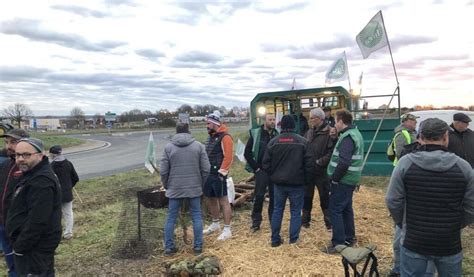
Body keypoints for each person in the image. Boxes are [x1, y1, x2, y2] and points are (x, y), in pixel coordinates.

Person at [386, 118, 474, 276]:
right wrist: (456, 224)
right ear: (446, 137)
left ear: (420, 137)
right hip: (449, 241)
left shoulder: (405, 164)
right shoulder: (463, 167)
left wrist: (404, 223)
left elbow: (393, 201)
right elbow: (471, 205)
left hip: (414, 239)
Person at [5, 138, 62, 276]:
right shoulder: (31, 174)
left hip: (34, 248)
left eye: (26, 155)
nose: (20, 159)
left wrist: (20, 246)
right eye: (18, 155)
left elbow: (38, 220)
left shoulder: (42, 181)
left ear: (40, 155)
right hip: (29, 247)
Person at [160, 123, 210, 256]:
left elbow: (163, 171)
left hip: (175, 187)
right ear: (189, 131)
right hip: (194, 187)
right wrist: (201, 184)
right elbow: (206, 169)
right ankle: (198, 247)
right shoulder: (199, 146)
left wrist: (166, 185)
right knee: (196, 216)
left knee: (171, 218)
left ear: (176, 132)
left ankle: (169, 248)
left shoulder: (168, 147)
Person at [262, 115, 312, 247]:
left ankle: (275, 240)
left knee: (277, 210)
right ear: (294, 126)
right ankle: (293, 241)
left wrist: (274, 175)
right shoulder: (302, 142)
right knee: (296, 211)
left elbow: (265, 164)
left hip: (279, 184)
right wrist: (305, 180)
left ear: (281, 125)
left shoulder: (273, 142)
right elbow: (309, 164)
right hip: (297, 184)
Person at [323, 109, 364, 254]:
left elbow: (344, 161)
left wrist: (334, 179)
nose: (334, 124)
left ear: (341, 121)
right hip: (350, 179)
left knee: (335, 209)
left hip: (343, 180)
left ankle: (338, 243)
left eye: (335, 121)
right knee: (346, 209)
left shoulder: (347, 137)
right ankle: (349, 238)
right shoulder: (355, 133)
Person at [388, 113, 418, 276]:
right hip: (403, 173)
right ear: (405, 122)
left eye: (415, 121)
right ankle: (399, 268)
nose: (414, 123)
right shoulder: (402, 134)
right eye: (412, 121)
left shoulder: (412, 134)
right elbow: (401, 155)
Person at [0, 129, 29, 277]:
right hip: (3, 224)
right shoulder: (6, 165)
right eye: (6, 142)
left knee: (24, 267)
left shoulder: (29, 167)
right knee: (12, 266)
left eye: (13, 142)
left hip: (20, 227)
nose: (8, 146)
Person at [202, 111, 234, 241]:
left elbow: (229, 156)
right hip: (209, 174)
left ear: (215, 123)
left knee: (224, 201)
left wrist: (222, 172)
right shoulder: (210, 137)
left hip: (219, 174)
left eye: (208, 123)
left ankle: (227, 229)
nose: (207, 126)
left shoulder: (225, 137)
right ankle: (215, 223)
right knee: (211, 199)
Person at [244, 114, 278, 232]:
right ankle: (256, 222)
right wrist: (256, 168)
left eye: (274, 119)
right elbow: (247, 153)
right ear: (265, 121)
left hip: (273, 172)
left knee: (274, 196)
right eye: (270, 119)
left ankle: (273, 221)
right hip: (262, 170)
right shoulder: (256, 134)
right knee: (259, 196)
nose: (273, 121)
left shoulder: (277, 135)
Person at [302, 108, 334, 229]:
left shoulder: (330, 132)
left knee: (325, 197)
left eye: (312, 118)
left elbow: (331, 152)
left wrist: (320, 162)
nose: (310, 120)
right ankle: (305, 221)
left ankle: (329, 223)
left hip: (322, 172)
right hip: (309, 171)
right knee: (307, 197)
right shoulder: (309, 132)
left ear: (320, 119)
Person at [49, 145, 79, 240]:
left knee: (55, 215)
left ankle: (55, 234)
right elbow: (76, 178)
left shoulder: (51, 166)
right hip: (67, 193)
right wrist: (69, 186)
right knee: (68, 213)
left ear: (52, 154)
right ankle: (68, 233)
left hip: (55, 195)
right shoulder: (68, 163)